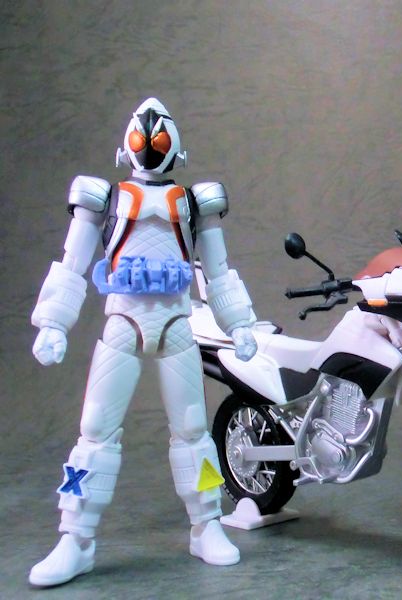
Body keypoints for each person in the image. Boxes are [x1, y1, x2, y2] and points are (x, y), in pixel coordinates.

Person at [29, 98, 257, 586]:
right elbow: (72, 263)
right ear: (126, 144)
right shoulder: (104, 197)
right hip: (124, 322)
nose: (150, 142)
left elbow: (217, 271)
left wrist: (239, 323)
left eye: (159, 137)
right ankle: (76, 539)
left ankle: (207, 525)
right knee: (95, 430)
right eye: (142, 135)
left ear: (176, 145)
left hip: (176, 324)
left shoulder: (195, 203)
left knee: (193, 431)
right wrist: (53, 322)